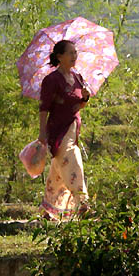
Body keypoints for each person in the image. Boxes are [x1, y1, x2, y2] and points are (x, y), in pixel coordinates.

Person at [38, 39, 91, 219]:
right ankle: (82, 203)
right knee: (72, 160)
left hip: (73, 129)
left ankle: (49, 209)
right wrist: (42, 133)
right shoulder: (51, 80)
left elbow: (78, 107)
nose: (74, 56)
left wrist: (84, 99)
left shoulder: (77, 78)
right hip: (58, 131)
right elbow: (44, 107)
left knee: (60, 169)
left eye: (75, 53)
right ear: (59, 56)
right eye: (70, 53)